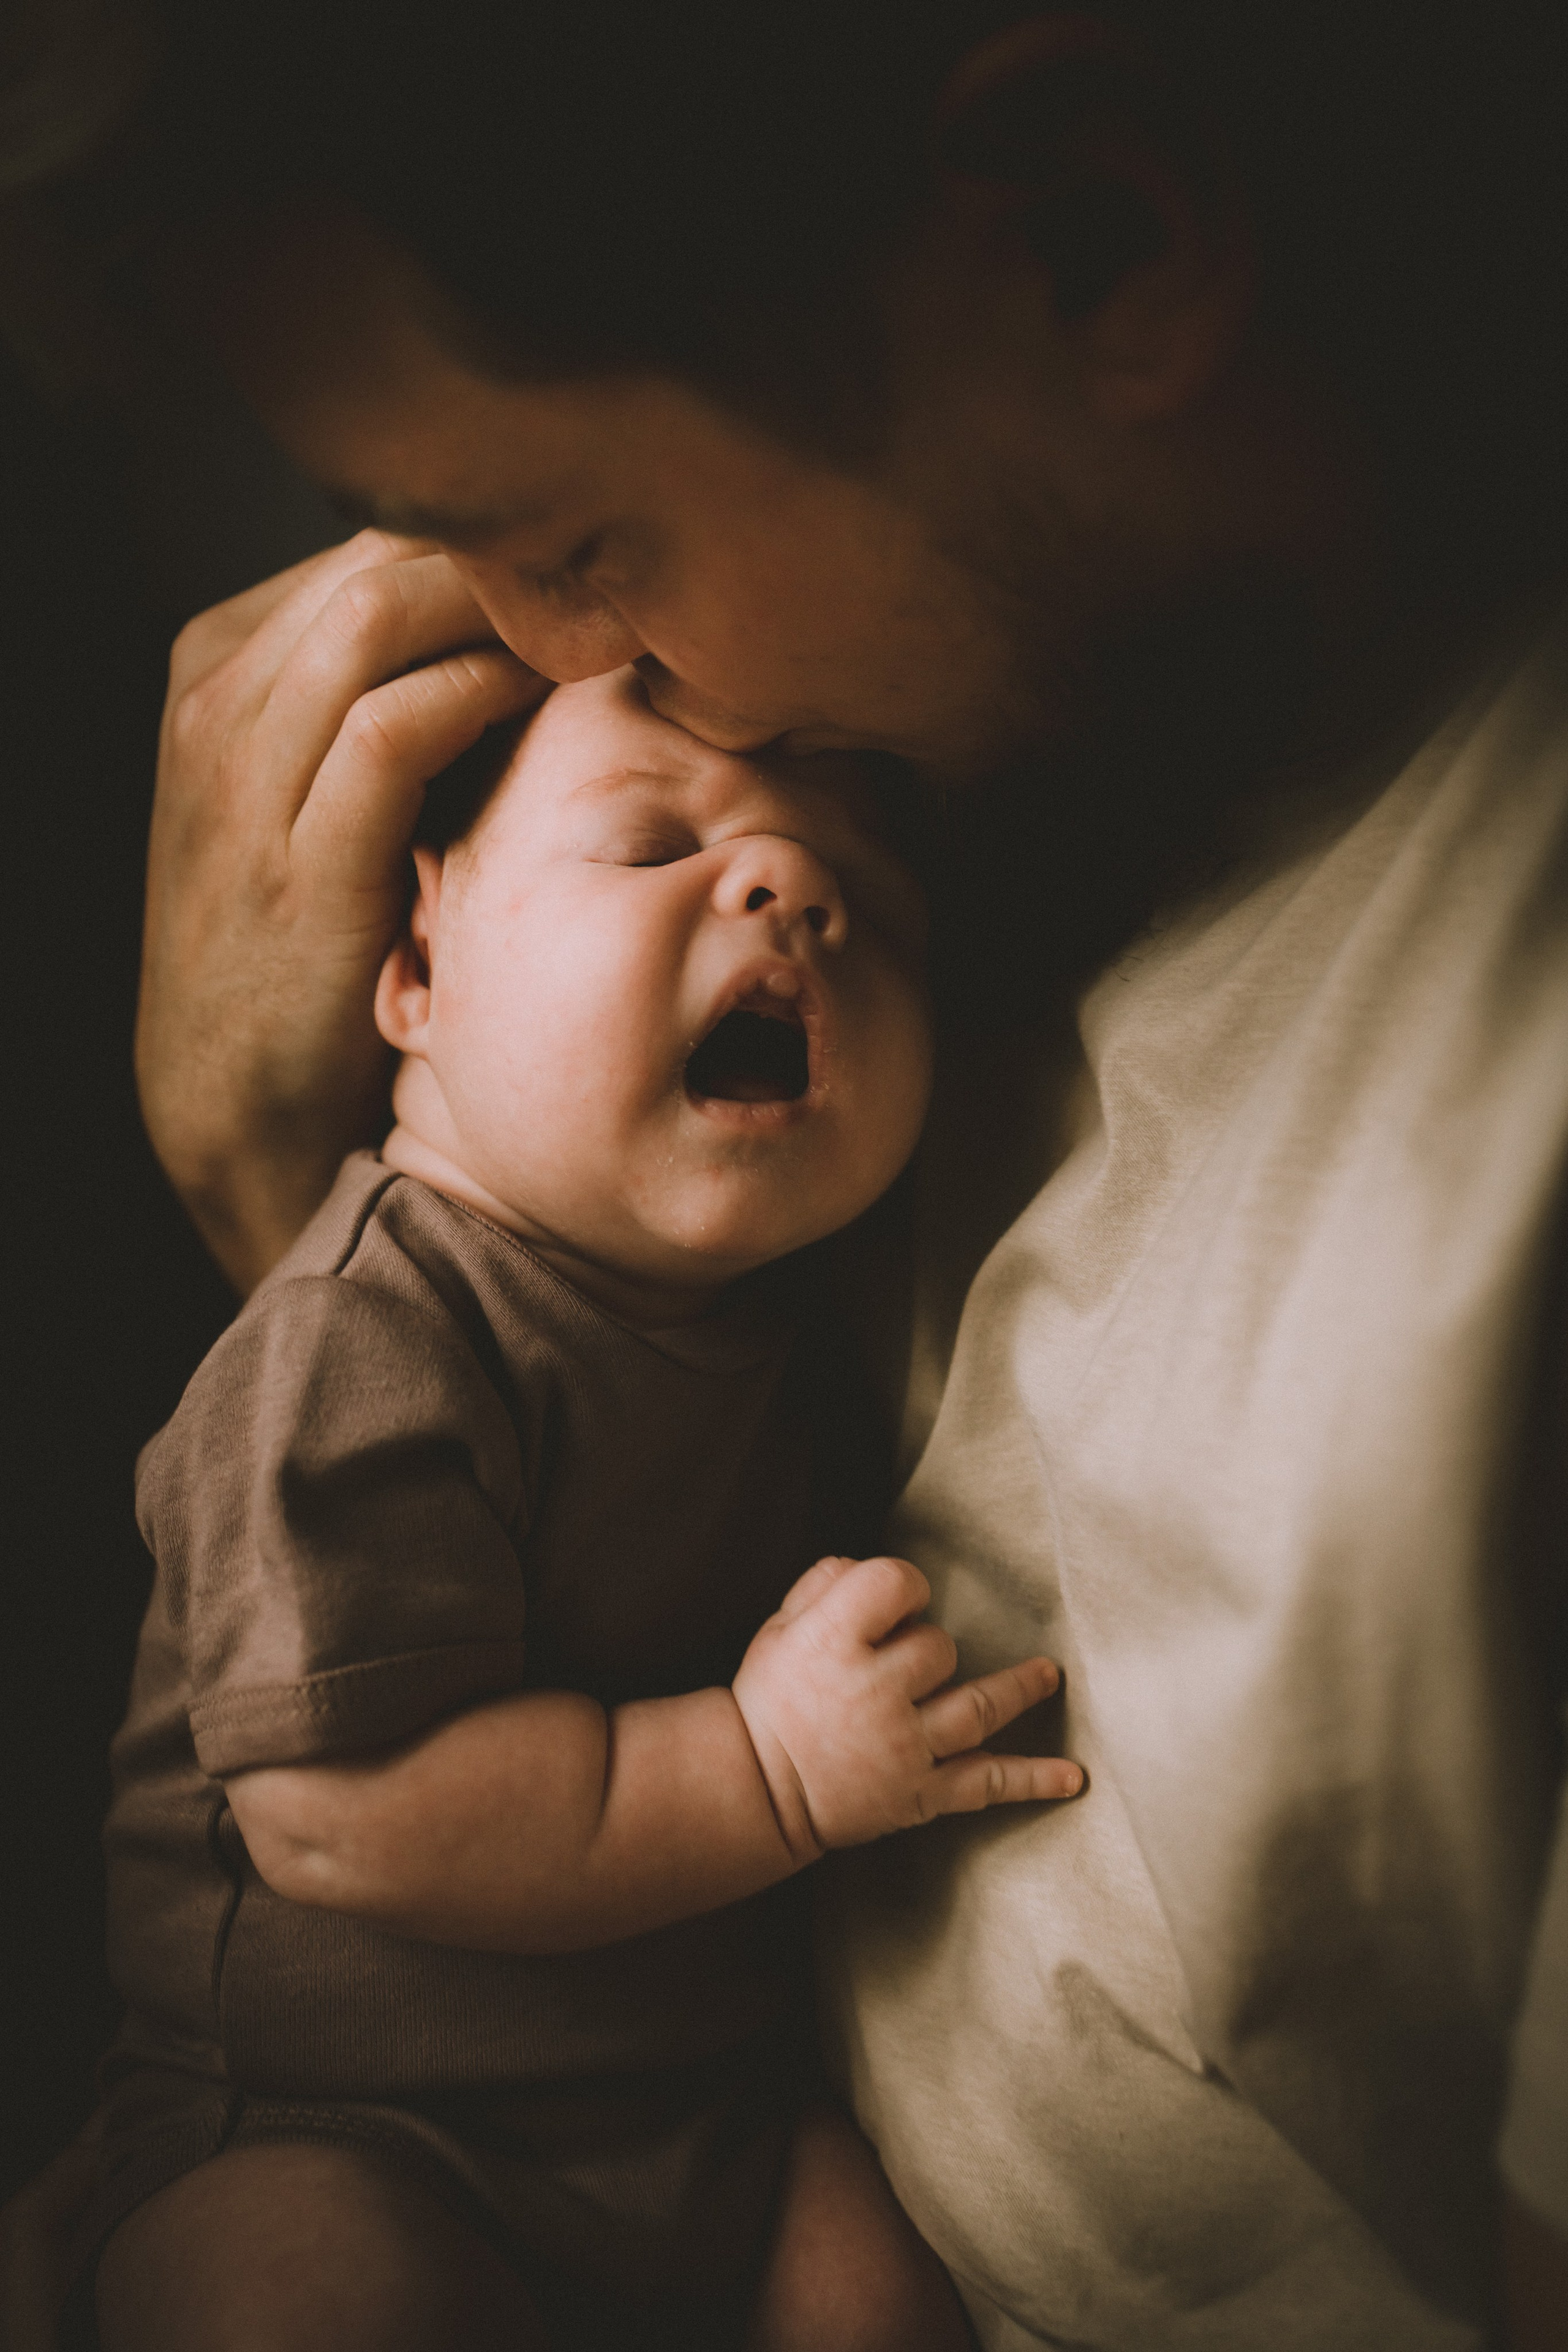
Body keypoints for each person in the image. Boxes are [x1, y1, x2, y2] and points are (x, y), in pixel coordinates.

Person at [18, 0, 1568, 2345]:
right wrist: (299, 1193)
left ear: (1095, 238)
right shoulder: (1014, 764)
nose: (529, 659)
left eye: (574, 536)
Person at [81, 665, 1085, 2351]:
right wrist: (763, 1770)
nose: (791, 888)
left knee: (877, 2304)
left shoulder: (803, 1329)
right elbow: (337, 1811)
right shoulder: (361, 1335)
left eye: (870, 898)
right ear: (419, 967)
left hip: (702, 2121)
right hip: (336, 2122)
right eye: (649, 845)